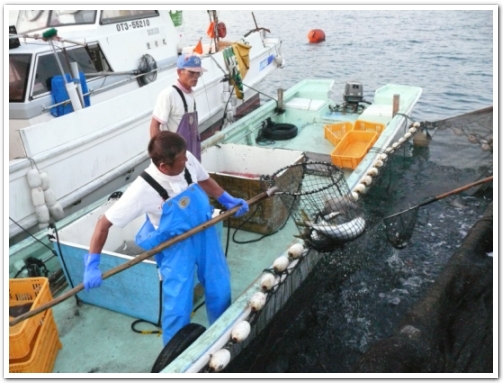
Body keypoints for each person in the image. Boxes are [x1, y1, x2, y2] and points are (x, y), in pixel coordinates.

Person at [82, 131, 249, 346]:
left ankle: (224, 336)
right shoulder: (142, 189)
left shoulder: (185, 159)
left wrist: (227, 200)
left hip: (205, 233)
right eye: (181, 160)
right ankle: (176, 354)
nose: (187, 160)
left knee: (220, 287)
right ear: (164, 166)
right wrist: (92, 263)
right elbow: (103, 224)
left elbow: (204, 179)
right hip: (175, 246)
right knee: (178, 306)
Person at [149, 53, 206, 161]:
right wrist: (161, 156)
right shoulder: (168, 94)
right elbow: (154, 126)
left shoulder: (190, 95)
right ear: (179, 72)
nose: (195, 77)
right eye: (191, 72)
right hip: (174, 157)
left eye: (198, 73)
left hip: (191, 154)